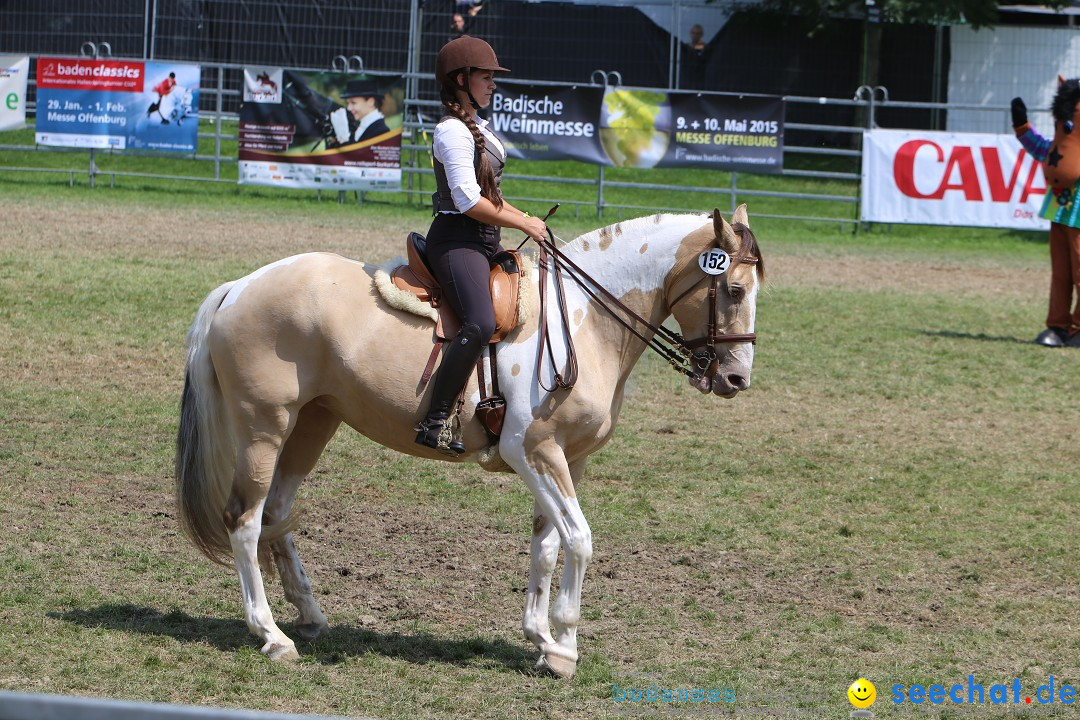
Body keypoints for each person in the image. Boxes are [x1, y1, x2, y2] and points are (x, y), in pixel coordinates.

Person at [415, 35, 548, 454]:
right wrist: (521, 220)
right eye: (486, 77)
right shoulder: (450, 132)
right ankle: (434, 421)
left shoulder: (479, 128)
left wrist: (524, 217)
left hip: (484, 239)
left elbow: (490, 196)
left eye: (492, 78)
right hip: (457, 241)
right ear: (461, 79)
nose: (493, 85)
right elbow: (469, 202)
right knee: (479, 321)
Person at [1012, 80, 1080, 348]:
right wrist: (1022, 127)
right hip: (1060, 212)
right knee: (1061, 273)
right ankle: (1058, 326)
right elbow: (1041, 148)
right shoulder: (1062, 146)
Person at [329, 78, 390, 146]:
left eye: (353, 103)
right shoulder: (359, 126)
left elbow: (354, 156)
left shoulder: (381, 132)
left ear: (370, 102)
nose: (349, 108)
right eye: (348, 103)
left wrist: (343, 138)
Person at [682, 24, 708, 90]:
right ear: (690, 34)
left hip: (701, 79)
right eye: (693, 33)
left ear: (701, 35)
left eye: (698, 33)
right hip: (687, 79)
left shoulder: (706, 48)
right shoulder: (685, 48)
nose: (695, 35)